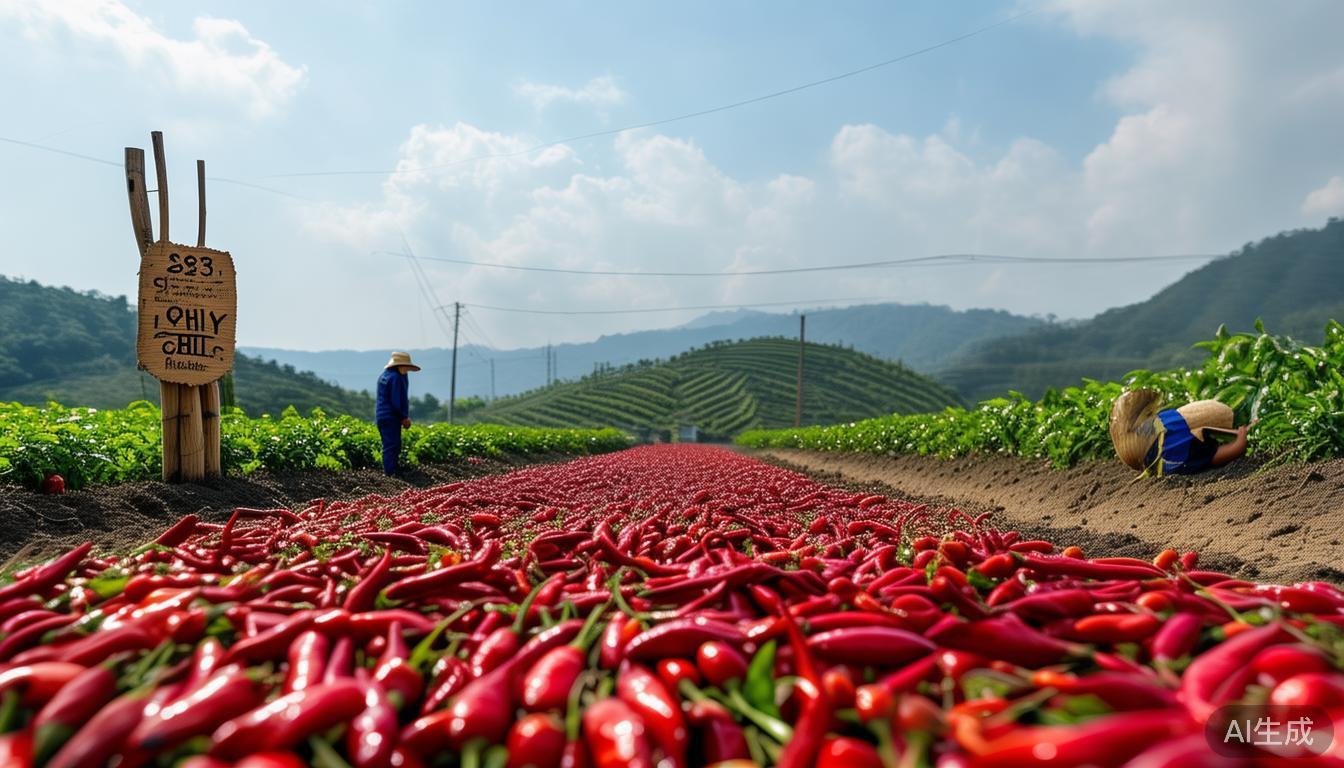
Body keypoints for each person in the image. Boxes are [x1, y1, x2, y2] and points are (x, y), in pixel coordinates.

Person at [1110, 390, 1250, 476]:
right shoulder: (1178, 452)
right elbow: (1214, 457)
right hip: (1179, 445)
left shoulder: (1158, 428)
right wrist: (1240, 443)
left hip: (1167, 439)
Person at [375, 351, 420, 475]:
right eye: (406, 367)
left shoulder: (384, 376)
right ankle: (390, 473)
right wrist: (403, 417)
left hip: (382, 416)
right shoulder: (396, 378)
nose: (407, 370)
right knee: (392, 445)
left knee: (390, 444)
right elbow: (396, 401)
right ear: (399, 366)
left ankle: (391, 470)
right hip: (392, 416)